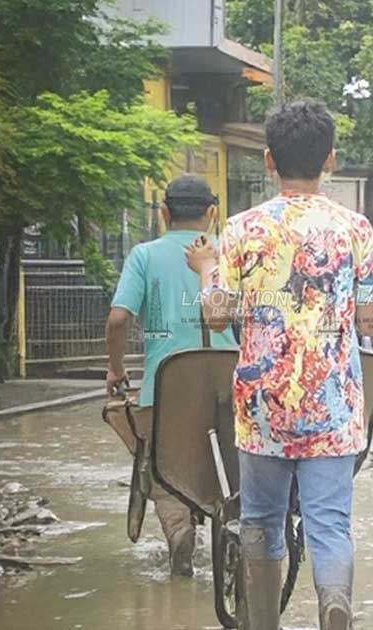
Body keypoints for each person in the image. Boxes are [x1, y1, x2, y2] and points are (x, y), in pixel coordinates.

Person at [186, 100, 373, 630]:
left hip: (263, 404)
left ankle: (263, 623)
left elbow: (217, 314)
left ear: (269, 160)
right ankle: (334, 602)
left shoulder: (242, 229)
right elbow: (372, 321)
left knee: (260, 522)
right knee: (330, 523)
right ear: (330, 160)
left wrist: (206, 269)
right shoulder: (355, 229)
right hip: (333, 404)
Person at [105, 174, 239, 577]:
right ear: (212, 213)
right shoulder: (229, 254)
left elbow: (118, 319)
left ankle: (179, 529)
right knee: (231, 469)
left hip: (165, 388)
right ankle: (231, 538)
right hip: (228, 383)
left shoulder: (144, 256)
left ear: (163, 213)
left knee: (164, 468)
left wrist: (115, 368)